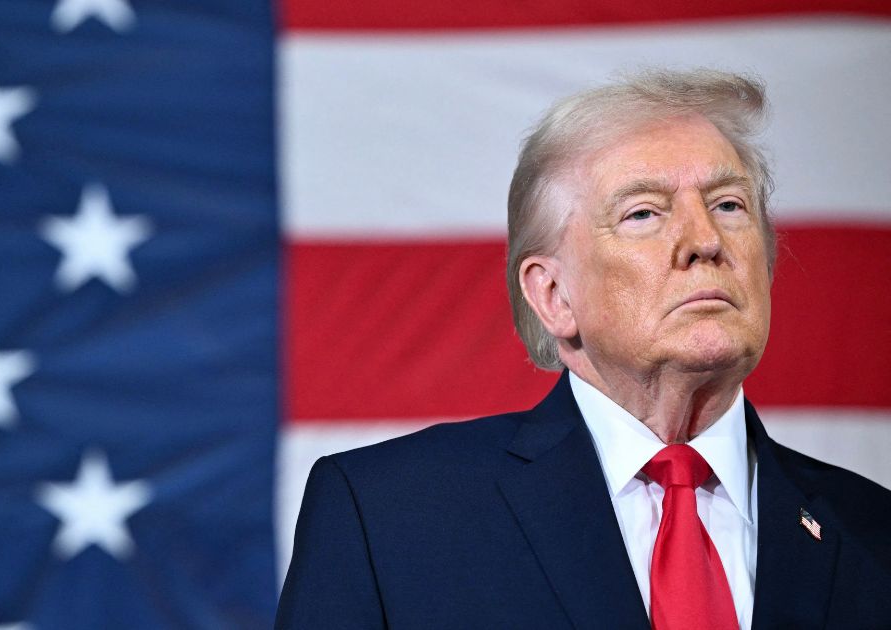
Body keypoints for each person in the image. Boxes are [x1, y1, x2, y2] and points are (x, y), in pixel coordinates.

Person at [275, 69, 891, 629]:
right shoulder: (389, 515)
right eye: (644, 214)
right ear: (553, 295)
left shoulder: (873, 531)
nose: (705, 241)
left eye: (729, 205)